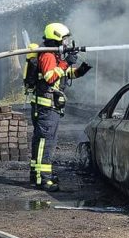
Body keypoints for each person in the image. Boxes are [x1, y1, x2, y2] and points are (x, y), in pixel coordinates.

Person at [30, 22, 93, 191]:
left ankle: (38, 175)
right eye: (64, 39)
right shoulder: (47, 55)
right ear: (56, 38)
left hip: (50, 107)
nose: (66, 42)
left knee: (43, 142)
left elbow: (62, 74)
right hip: (46, 107)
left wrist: (80, 71)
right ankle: (42, 179)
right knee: (45, 143)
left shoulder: (55, 56)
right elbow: (50, 77)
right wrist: (66, 62)